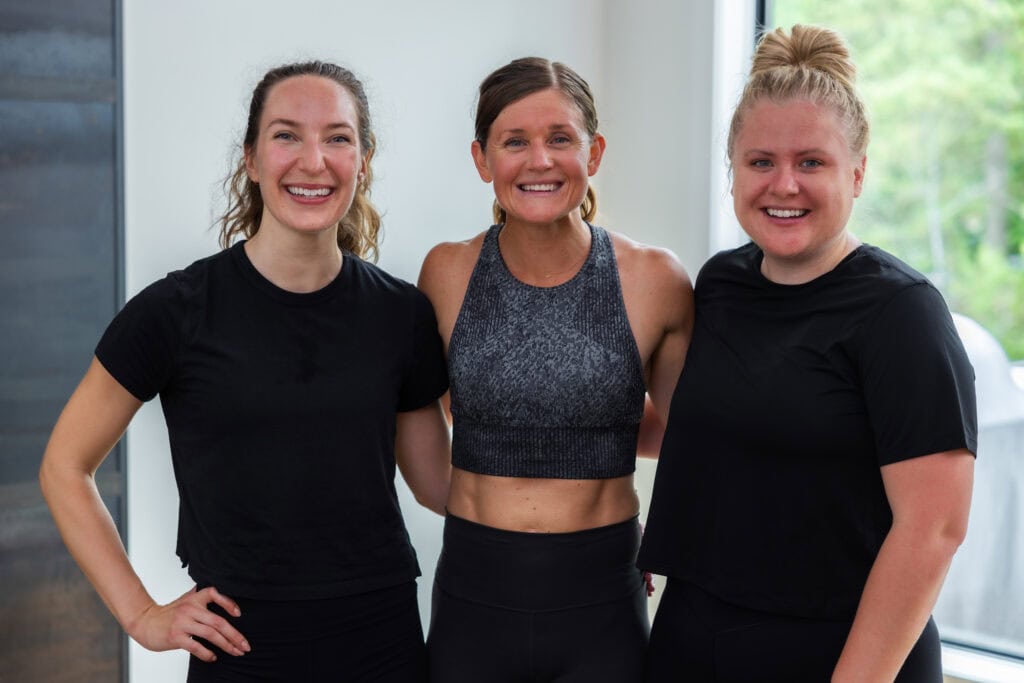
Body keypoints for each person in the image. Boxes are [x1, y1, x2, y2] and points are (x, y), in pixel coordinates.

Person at [38, 60, 450, 682]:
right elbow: (64, 466)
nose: (313, 160)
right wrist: (142, 615)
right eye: (286, 135)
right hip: (238, 649)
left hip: (382, 643)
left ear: (363, 160)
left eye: (337, 137)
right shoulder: (174, 311)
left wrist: (582, 517)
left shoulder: (401, 314)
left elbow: (439, 485)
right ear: (252, 159)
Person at [638, 25, 977, 683]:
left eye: (811, 162)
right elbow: (709, 426)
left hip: (841, 651)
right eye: (761, 161)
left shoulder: (902, 313)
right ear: (733, 170)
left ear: (858, 170)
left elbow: (933, 528)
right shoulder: (720, 284)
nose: (783, 184)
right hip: (695, 635)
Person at [417, 57, 693, 683]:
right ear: (482, 159)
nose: (539, 161)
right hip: (473, 591)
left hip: (602, 595)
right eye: (515, 142)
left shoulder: (655, 279)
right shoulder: (445, 272)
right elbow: (448, 410)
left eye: (560, 139)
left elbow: (689, 435)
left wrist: (627, 520)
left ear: (592, 153)